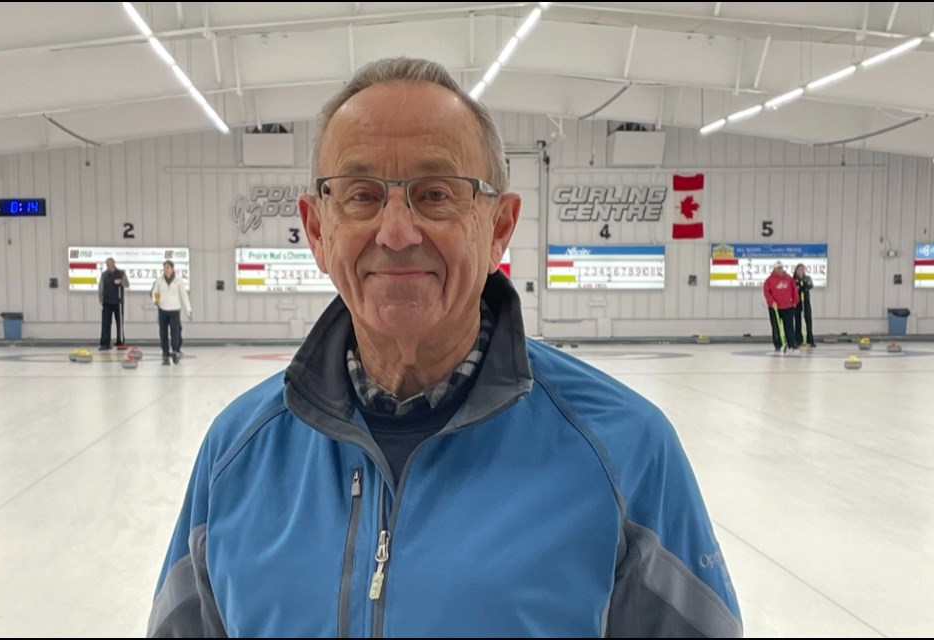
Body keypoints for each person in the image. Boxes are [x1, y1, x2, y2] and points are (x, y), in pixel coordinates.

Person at [148, 58, 741, 638]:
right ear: (318, 230)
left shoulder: (625, 452)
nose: (397, 232)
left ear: (499, 228)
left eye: (436, 194)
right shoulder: (236, 457)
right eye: (361, 195)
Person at [151, 260, 192, 366]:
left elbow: (184, 295)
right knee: (163, 333)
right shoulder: (159, 280)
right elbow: (156, 292)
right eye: (165, 268)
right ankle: (165, 353)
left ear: (173, 269)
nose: (166, 270)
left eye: (168, 267)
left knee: (175, 332)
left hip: (174, 310)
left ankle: (175, 351)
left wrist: (188, 309)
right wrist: (156, 300)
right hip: (163, 309)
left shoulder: (179, 281)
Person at [763, 261, 798, 353]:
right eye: (777, 268)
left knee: (789, 327)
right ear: (774, 269)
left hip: (787, 307)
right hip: (775, 308)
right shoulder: (769, 280)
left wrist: (795, 301)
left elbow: (794, 290)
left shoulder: (789, 278)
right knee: (776, 327)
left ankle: (791, 344)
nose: (779, 270)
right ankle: (778, 344)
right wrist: (772, 302)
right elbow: (767, 293)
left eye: (781, 268)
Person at [98, 257, 129, 351]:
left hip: (118, 302)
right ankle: (105, 343)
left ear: (114, 263)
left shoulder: (121, 273)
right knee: (106, 323)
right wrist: (100, 298)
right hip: (107, 302)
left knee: (119, 323)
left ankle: (120, 341)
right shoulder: (104, 275)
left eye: (110, 264)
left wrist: (121, 282)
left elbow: (127, 284)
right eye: (107, 264)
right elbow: (101, 287)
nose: (108, 266)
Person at [793, 263, 815, 348]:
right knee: (798, 321)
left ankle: (810, 339)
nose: (801, 271)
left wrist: (804, 287)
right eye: (799, 269)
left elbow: (810, 285)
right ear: (796, 270)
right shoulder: (794, 279)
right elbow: (794, 288)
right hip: (797, 302)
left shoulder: (807, 278)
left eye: (803, 269)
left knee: (808, 320)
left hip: (805, 301)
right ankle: (798, 340)